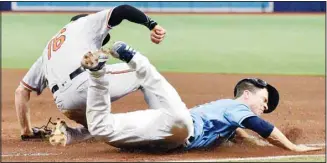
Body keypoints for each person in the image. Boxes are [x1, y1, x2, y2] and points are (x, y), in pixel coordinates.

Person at [50, 41, 323, 152]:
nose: (265, 106)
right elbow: (263, 128)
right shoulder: (237, 107)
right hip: (181, 126)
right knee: (164, 95)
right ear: (247, 94)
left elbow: (240, 134)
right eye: (264, 100)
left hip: (165, 133)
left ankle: (98, 73)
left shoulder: (229, 115)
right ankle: (133, 57)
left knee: (102, 126)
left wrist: (260, 147)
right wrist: (294, 148)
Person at [14, 4, 166, 145]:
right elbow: (123, 9)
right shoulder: (86, 22)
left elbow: (21, 91)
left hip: (65, 103)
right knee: (143, 71)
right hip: (83, 84)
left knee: (100, 127)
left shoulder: (48, 51)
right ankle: (165, 128)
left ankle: (69, 134)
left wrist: (26, 131)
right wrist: (152, 25)